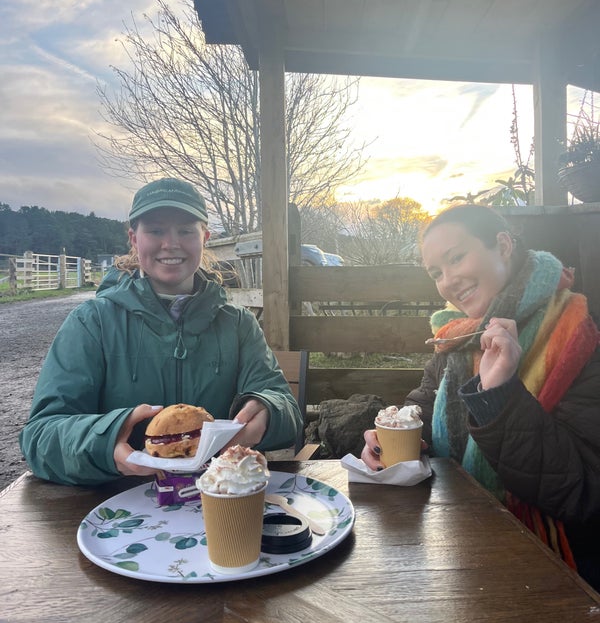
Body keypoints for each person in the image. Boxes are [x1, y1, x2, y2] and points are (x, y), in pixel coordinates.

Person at [361, 204, 600, 589]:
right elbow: (424, 404)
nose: (449, 281)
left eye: (456, 258)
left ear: (503, 246)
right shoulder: (457, 335)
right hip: (456, 546)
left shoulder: (582, 335)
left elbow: (582, 490)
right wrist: (394, 433)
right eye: (436, 273)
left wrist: (499, 397)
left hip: (559, 571)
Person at [19, 178, 302, 486]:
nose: (171, 244)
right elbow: (40, 435)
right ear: (134, 239)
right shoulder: (91, 323)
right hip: (113, 503)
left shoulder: (238, 325)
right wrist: (106, 443)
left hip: (219, 498)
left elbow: (284, 406)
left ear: (204, 238)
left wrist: (268, 411)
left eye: (186, 231)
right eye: (155, 230)